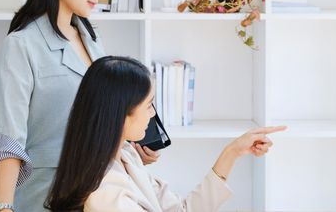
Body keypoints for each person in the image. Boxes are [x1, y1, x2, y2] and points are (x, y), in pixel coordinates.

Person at [0, 0, 159, 212]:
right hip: (47, 194)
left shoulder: (91, 38)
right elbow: (9, 138)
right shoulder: (21, 45)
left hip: (101, 189)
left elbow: (105, 113)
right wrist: (3, 208)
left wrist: (131, 146)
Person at [45, 56, 286, 212]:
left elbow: (182, 210)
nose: (153, 114)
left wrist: (232, 152)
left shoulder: (126, 156)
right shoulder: (106, 194)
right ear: (121, 115)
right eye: (149, 105)